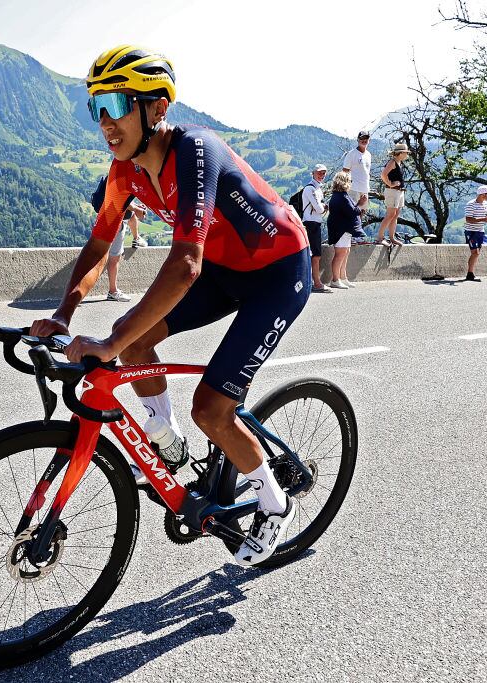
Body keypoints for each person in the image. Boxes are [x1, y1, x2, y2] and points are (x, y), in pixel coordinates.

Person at [30, 45, 311, 566]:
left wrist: (110, 342)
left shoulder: (197, 151)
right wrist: (63, 315)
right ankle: (167, 441)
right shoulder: (124, 172)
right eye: (96, 107)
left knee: (211, 408)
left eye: (116, 104)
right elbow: (99, 244)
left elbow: (184, 265)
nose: (105, 121)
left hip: (277, 273)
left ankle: (275, 503)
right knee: (134, 340)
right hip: (224, 270)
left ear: (156, 108)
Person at [91, 175, 142, 302]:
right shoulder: (127, 176)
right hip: (114, 218)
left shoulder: (116, 174)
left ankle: (137, 238)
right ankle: (113, 291)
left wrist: (135, 207)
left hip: (107, 215)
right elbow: (120, 198)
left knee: (132, 217)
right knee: (115, 258)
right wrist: (136, 208)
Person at [326, 170, 362, 289]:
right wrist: (360, 203)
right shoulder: (342, 197)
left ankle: (343, 277)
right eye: (349, 181)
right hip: (340, 230)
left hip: (343, 229)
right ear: (345, 182)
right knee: (340, 254)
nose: (351, 183)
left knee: (345, 252)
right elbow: (352, 211)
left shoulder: (339, 195)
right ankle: (335, 280)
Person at [302, 164, 331, 292]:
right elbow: (319, 209)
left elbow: (319, 207)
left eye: (324, 173)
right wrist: (323, 207)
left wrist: (321, 207)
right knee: (315, 254)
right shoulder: (310, 189)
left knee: (315, 254)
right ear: (313, 173)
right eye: (319, 172)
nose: (322, 175)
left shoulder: (318, 188)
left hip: (315, 223)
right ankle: (317, 283)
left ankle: (313, 282)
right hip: (311, 223)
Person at [377, 142, 411, 246]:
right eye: (406, 153)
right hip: (392, 191)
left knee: (395, 215)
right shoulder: (392, 162)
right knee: (390, 214)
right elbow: (383, 175)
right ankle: (380, 237)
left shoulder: (398, 162)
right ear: (400, 153)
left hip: (399, 192)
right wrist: (391, 184)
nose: (407, 155)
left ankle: (392, 238)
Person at [464, 185, 487, 282]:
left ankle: (470, 274)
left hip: (480, 231)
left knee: (476, 254)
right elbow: (468, 219)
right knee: (475, 253)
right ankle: (470, 274)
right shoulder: (471, 204)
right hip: (470, 231)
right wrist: (484, 219)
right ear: (482, 194)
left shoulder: (486, 204)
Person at [341, 131, 372, 211]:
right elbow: (344, 172)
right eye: (362, 138)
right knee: (351, 212)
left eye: (366, 138)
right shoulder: (351, 154)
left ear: (369, 140)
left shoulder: (368, 155)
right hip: (353, 189)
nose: (364, 140)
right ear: (358, 140)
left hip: (365, 189)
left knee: (362, 213)